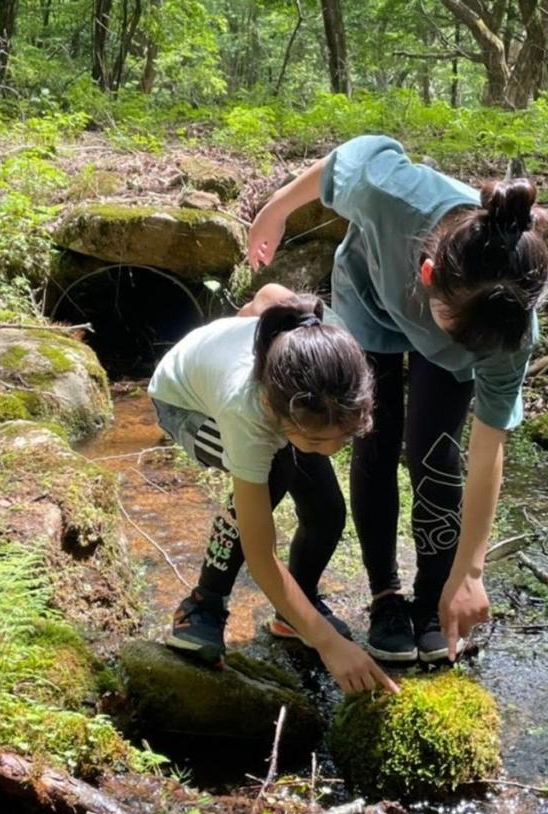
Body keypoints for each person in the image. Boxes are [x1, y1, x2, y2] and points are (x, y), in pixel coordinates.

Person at [247, 135, 548, 665]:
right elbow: (347, 157)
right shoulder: (391, 194)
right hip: (370, 298)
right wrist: (276, 210)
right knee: (376, 441)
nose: (464, 348)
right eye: (457, 335)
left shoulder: (506, 327)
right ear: (428, 276)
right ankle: (385, 596)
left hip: (458, 313)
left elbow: (487, 448)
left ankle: (435, 599)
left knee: (433, 452)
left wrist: (470, 571)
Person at [148, 284, 398, 694]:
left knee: (328, 511)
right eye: (320, 443)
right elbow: (260, 553)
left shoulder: (331, 355)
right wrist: (328, 642)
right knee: (274, 472)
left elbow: (272, 292)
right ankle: (203, 606)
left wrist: (252, 315)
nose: (332, 451)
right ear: (273, 409)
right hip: (185, 405)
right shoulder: (246, 408)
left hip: (283, 406)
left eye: (343, 439)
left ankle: (295, 609)